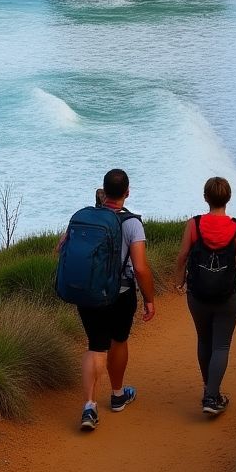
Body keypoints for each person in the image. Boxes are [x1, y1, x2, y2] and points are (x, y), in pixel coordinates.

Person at [72, 168, 156, 432]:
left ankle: (89, 406)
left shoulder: (84, 217)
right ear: (127, 193)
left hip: (88, 293)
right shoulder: (131, 223)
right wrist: (150, 299)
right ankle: (118, 395)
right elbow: (140, 268)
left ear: (104, 191)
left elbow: (64, 248)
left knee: (96, 346)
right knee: (118, 340)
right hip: (120, 294)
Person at [173, 176, 236, 416]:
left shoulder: (194, 225)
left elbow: (182, 257)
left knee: (204, 340)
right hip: (228, 295)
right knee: (221, 345)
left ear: (205, 198)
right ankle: (212, 396)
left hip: (198, 294)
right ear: (228, 198)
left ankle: (208, 388)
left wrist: (179, 281)